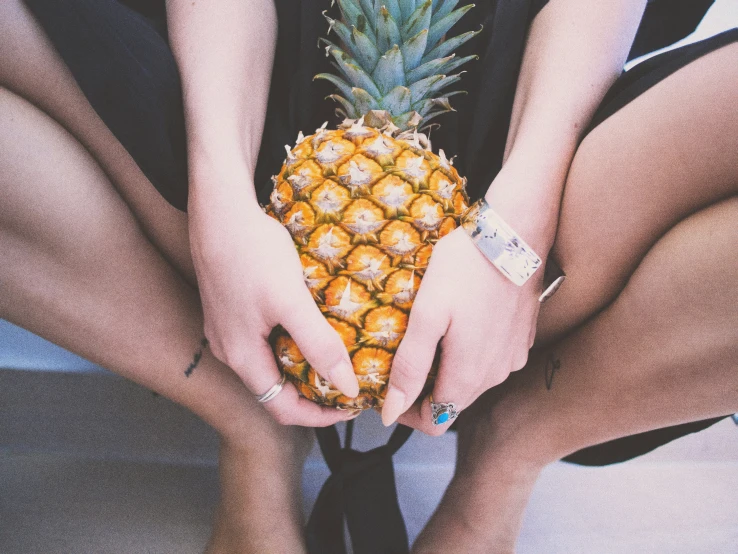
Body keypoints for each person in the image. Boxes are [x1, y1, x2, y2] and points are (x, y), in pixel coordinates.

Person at [0, 1, 735, 553]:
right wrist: (219, 195)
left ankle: (512, 444)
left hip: (547, 119)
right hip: (249, 87)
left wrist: (514, 232)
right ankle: (245, 415)